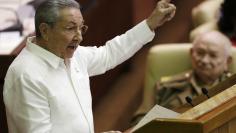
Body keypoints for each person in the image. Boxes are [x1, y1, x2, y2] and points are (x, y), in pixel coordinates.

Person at [3, 0, 176, 133]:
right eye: (71, 28)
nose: (79, 37)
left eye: (81, 28)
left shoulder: (72, 54)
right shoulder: (25, 75)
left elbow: (109, 54)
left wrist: (150, 23)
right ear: (45, 31)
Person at [133, 31, 232, 123]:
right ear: (191, 53)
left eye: (213, 55)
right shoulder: (166, 87)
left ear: (227, 61)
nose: (205, 60)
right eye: (200, 53)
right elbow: (139, 122)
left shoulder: (232, 89)